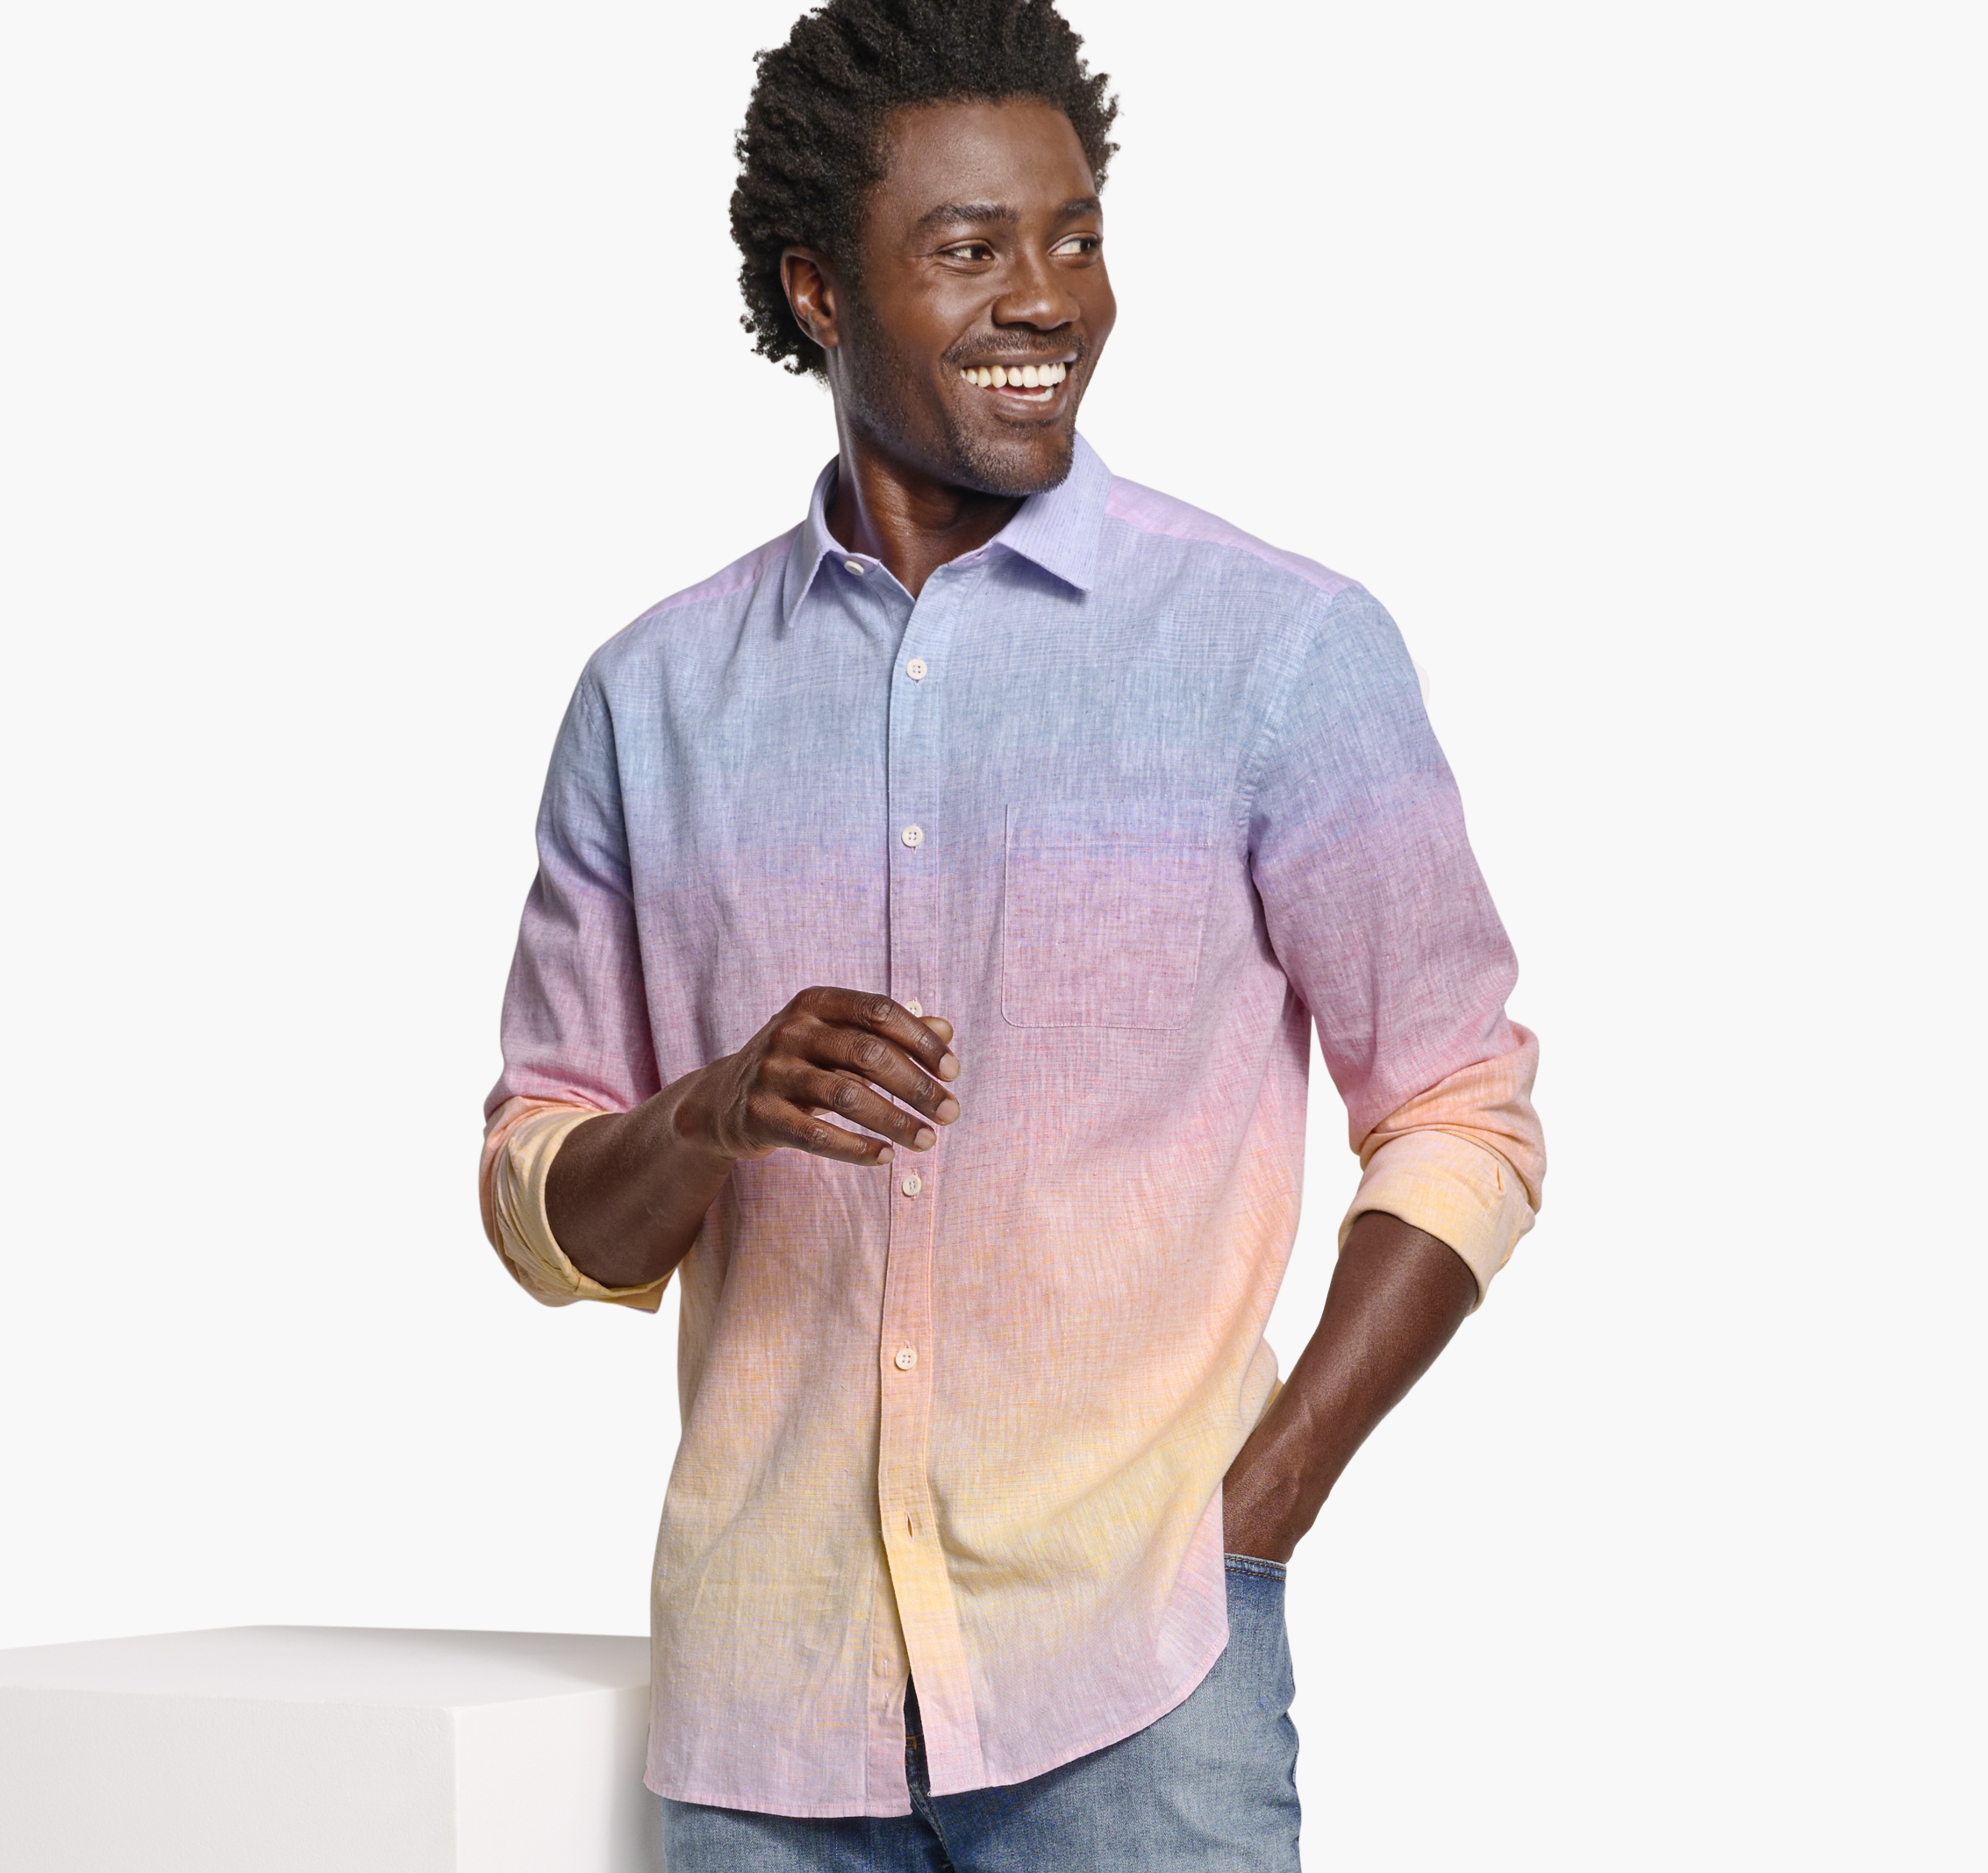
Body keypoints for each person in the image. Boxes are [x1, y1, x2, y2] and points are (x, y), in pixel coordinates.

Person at [479, 2, 1544, 1865]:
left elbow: (1462, 1110)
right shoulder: (652, 700)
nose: (1046, 299)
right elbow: (541, 1207)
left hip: (1140, 1690)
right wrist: (712, 1111)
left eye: (1074, 236)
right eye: (970, 249)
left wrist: (1252, 1513)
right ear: (818, 290)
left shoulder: (1278, 650)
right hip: (765, 1726)